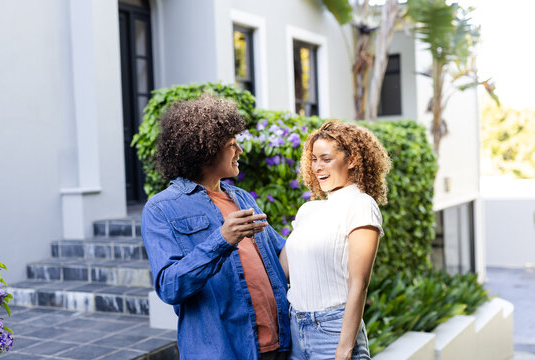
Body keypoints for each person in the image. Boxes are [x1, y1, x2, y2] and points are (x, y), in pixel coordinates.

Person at [141, 95, 290, 360]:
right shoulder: (161, 208)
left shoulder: (241, 197)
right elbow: (169, 286)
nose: (239, 151)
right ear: (206, 150)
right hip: (223, 351)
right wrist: (222, 239)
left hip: (276, 346)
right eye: (232, 145)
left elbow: (280, 255)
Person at [282, 120, 391, 360]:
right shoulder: (307, 210)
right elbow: (282, 272)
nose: (317, 167)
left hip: (332, 332)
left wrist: (344, 350)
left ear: (352, 160)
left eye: (326, 159)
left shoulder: (361, 206)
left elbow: (359, 284)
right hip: (294, 330)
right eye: (313, 160)